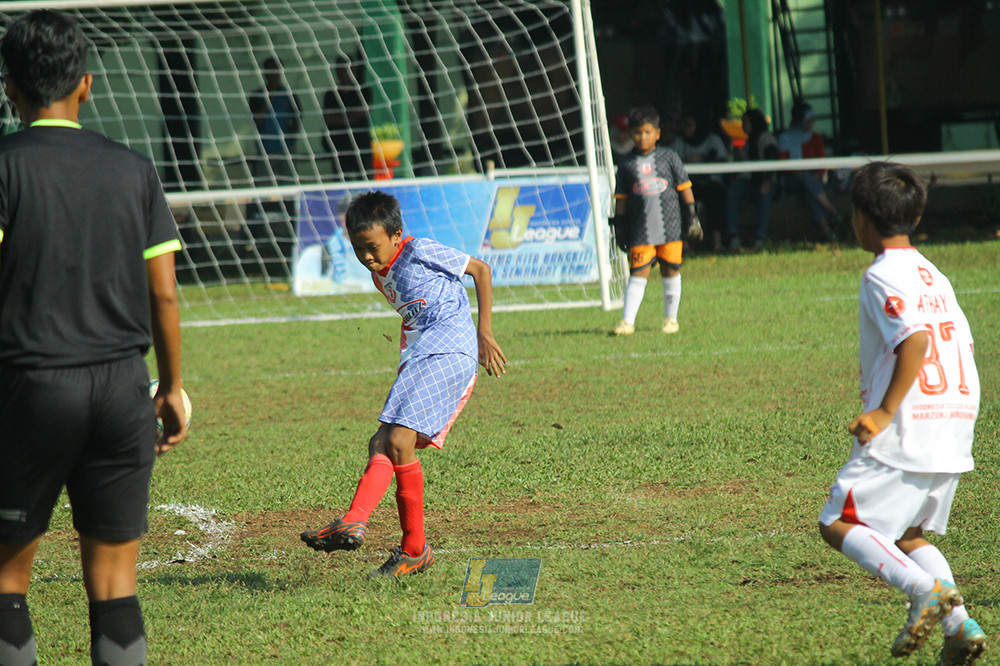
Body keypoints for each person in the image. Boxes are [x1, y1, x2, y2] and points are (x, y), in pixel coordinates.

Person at [0, 10, 187, 665]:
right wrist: (175, 388)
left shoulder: (3, 168)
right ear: (86, 84)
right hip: (122, 389)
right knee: (113, 587)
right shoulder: (134, 170)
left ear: (8, 88)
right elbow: (163, 292)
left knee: (5, 585)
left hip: (30, 389)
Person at [818, 162, 985, 665]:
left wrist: (885, 411)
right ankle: (959, 626)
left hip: (911, 419)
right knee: (907, 532)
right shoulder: (932, 271)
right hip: (955, 415)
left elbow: (915, 338)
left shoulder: (880, 273)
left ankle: (924, 592)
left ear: (863, 218)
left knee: (837, 521)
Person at [300, 190, 507, 578]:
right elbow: (414, 318)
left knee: (396, 442)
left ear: (397, 235)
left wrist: (484, 332)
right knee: (383, 442)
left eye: (373, 247)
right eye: (358, 249)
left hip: (449, 348)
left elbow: (480, 269)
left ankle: (381, 532)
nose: (367, 257)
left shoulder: (418, 251)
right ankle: (391, 539)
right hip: (424, 352)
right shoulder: (380, 273)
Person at [610, 105, 703, 336]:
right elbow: (621, 199)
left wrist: (691, 217)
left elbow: (685, 189)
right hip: (641, 229)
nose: (643, 137)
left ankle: (671, 320)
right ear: (632, 134)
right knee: (638, 272)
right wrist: (619, 227)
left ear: (658, 133)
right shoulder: (626, 164)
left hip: (671, 227)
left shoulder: (669, 158)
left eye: (648, 132)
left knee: (670, 270)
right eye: (638, 133)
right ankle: (627, 322)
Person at [777, 101, 844, 242]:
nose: (811, 124)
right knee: (804, 179)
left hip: (812, 180)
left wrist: (817, 174)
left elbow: (822, 162)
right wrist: (797, 173)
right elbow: (783, 165)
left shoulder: (816, 138)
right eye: (808, 121)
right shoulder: (785, 138)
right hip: (791, 180)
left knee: (809, 191)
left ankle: (827, 232)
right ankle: (831, 210)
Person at [670, 111, 731, 252]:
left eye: (690, 125)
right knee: (677, 198)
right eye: (684, 125)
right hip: (688, 186)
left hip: (710, 183)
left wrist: (704, 159)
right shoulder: (679, 143)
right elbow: (670, 163)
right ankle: (684, 243)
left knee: (717, 196)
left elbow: (723, 161)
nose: (687, 128)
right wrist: (685, 161)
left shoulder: (713, 140)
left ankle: (717, 242)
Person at [724, 108, 779, 253]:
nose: (743, 125)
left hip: (766, 180)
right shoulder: (748, 141)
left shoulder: (766, 138)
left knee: (764, 195)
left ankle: (759, 238)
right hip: (749, 181)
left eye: (745, 122)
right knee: (732, 191)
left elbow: (773, 159)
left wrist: (767, 180)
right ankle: (733, 235)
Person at [248, 56, 301, 186]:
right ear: (264, 72)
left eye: (275, 69)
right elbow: (258, 120)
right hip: (265, 150)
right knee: (263, 188)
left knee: (289, 187)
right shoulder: (256, 96)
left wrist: (291, 141)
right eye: (270, 70)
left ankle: (289, 206)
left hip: (286, 149)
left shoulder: (290, 96)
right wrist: (269, 97)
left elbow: (296, 121)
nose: (273, 74)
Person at [322, 53, 371, 181]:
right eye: (340, 69)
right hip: (339, 146)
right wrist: (351, 117)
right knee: (341, 182)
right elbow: (328, 118)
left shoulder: (364, 90)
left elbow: (363, 112)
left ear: (353, 69)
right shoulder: (331, 94)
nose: (343, 72)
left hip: (361, 145)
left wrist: (340, 116)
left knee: (364, 181)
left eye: (346, 68)